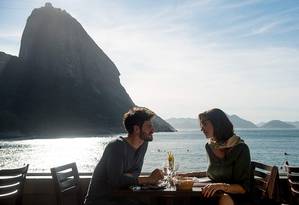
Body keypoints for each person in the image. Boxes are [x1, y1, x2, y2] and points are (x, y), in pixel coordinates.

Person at [84, 107, 164, 205]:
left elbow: (136, 172)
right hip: (101, 201)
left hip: (121, 199)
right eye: (149, 126)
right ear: (136, 129)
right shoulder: (116, 146)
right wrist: (148, 179)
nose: (153, 130)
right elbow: (116, 181)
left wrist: (126, 178)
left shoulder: (143, 144)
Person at [181, 108, 251, 205]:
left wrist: (221, 186)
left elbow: (244, 188)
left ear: (217, 124)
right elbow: (214, 173)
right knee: (190, 196)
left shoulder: (241, 148)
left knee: (222, 198)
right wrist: (186, 175)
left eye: (205, 124)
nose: (201, 129)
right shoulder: (209, 147)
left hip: (237, 195)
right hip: (216, 192)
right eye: (201, 125)